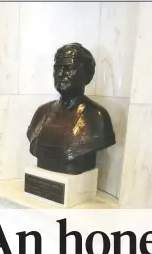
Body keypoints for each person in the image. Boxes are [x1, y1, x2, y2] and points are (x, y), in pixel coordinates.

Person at [27, 43, 115, 175]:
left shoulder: (97, 117)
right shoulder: (42, 112)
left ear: (87, 74)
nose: (61, 74)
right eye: (57, 68)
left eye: (69, 68)